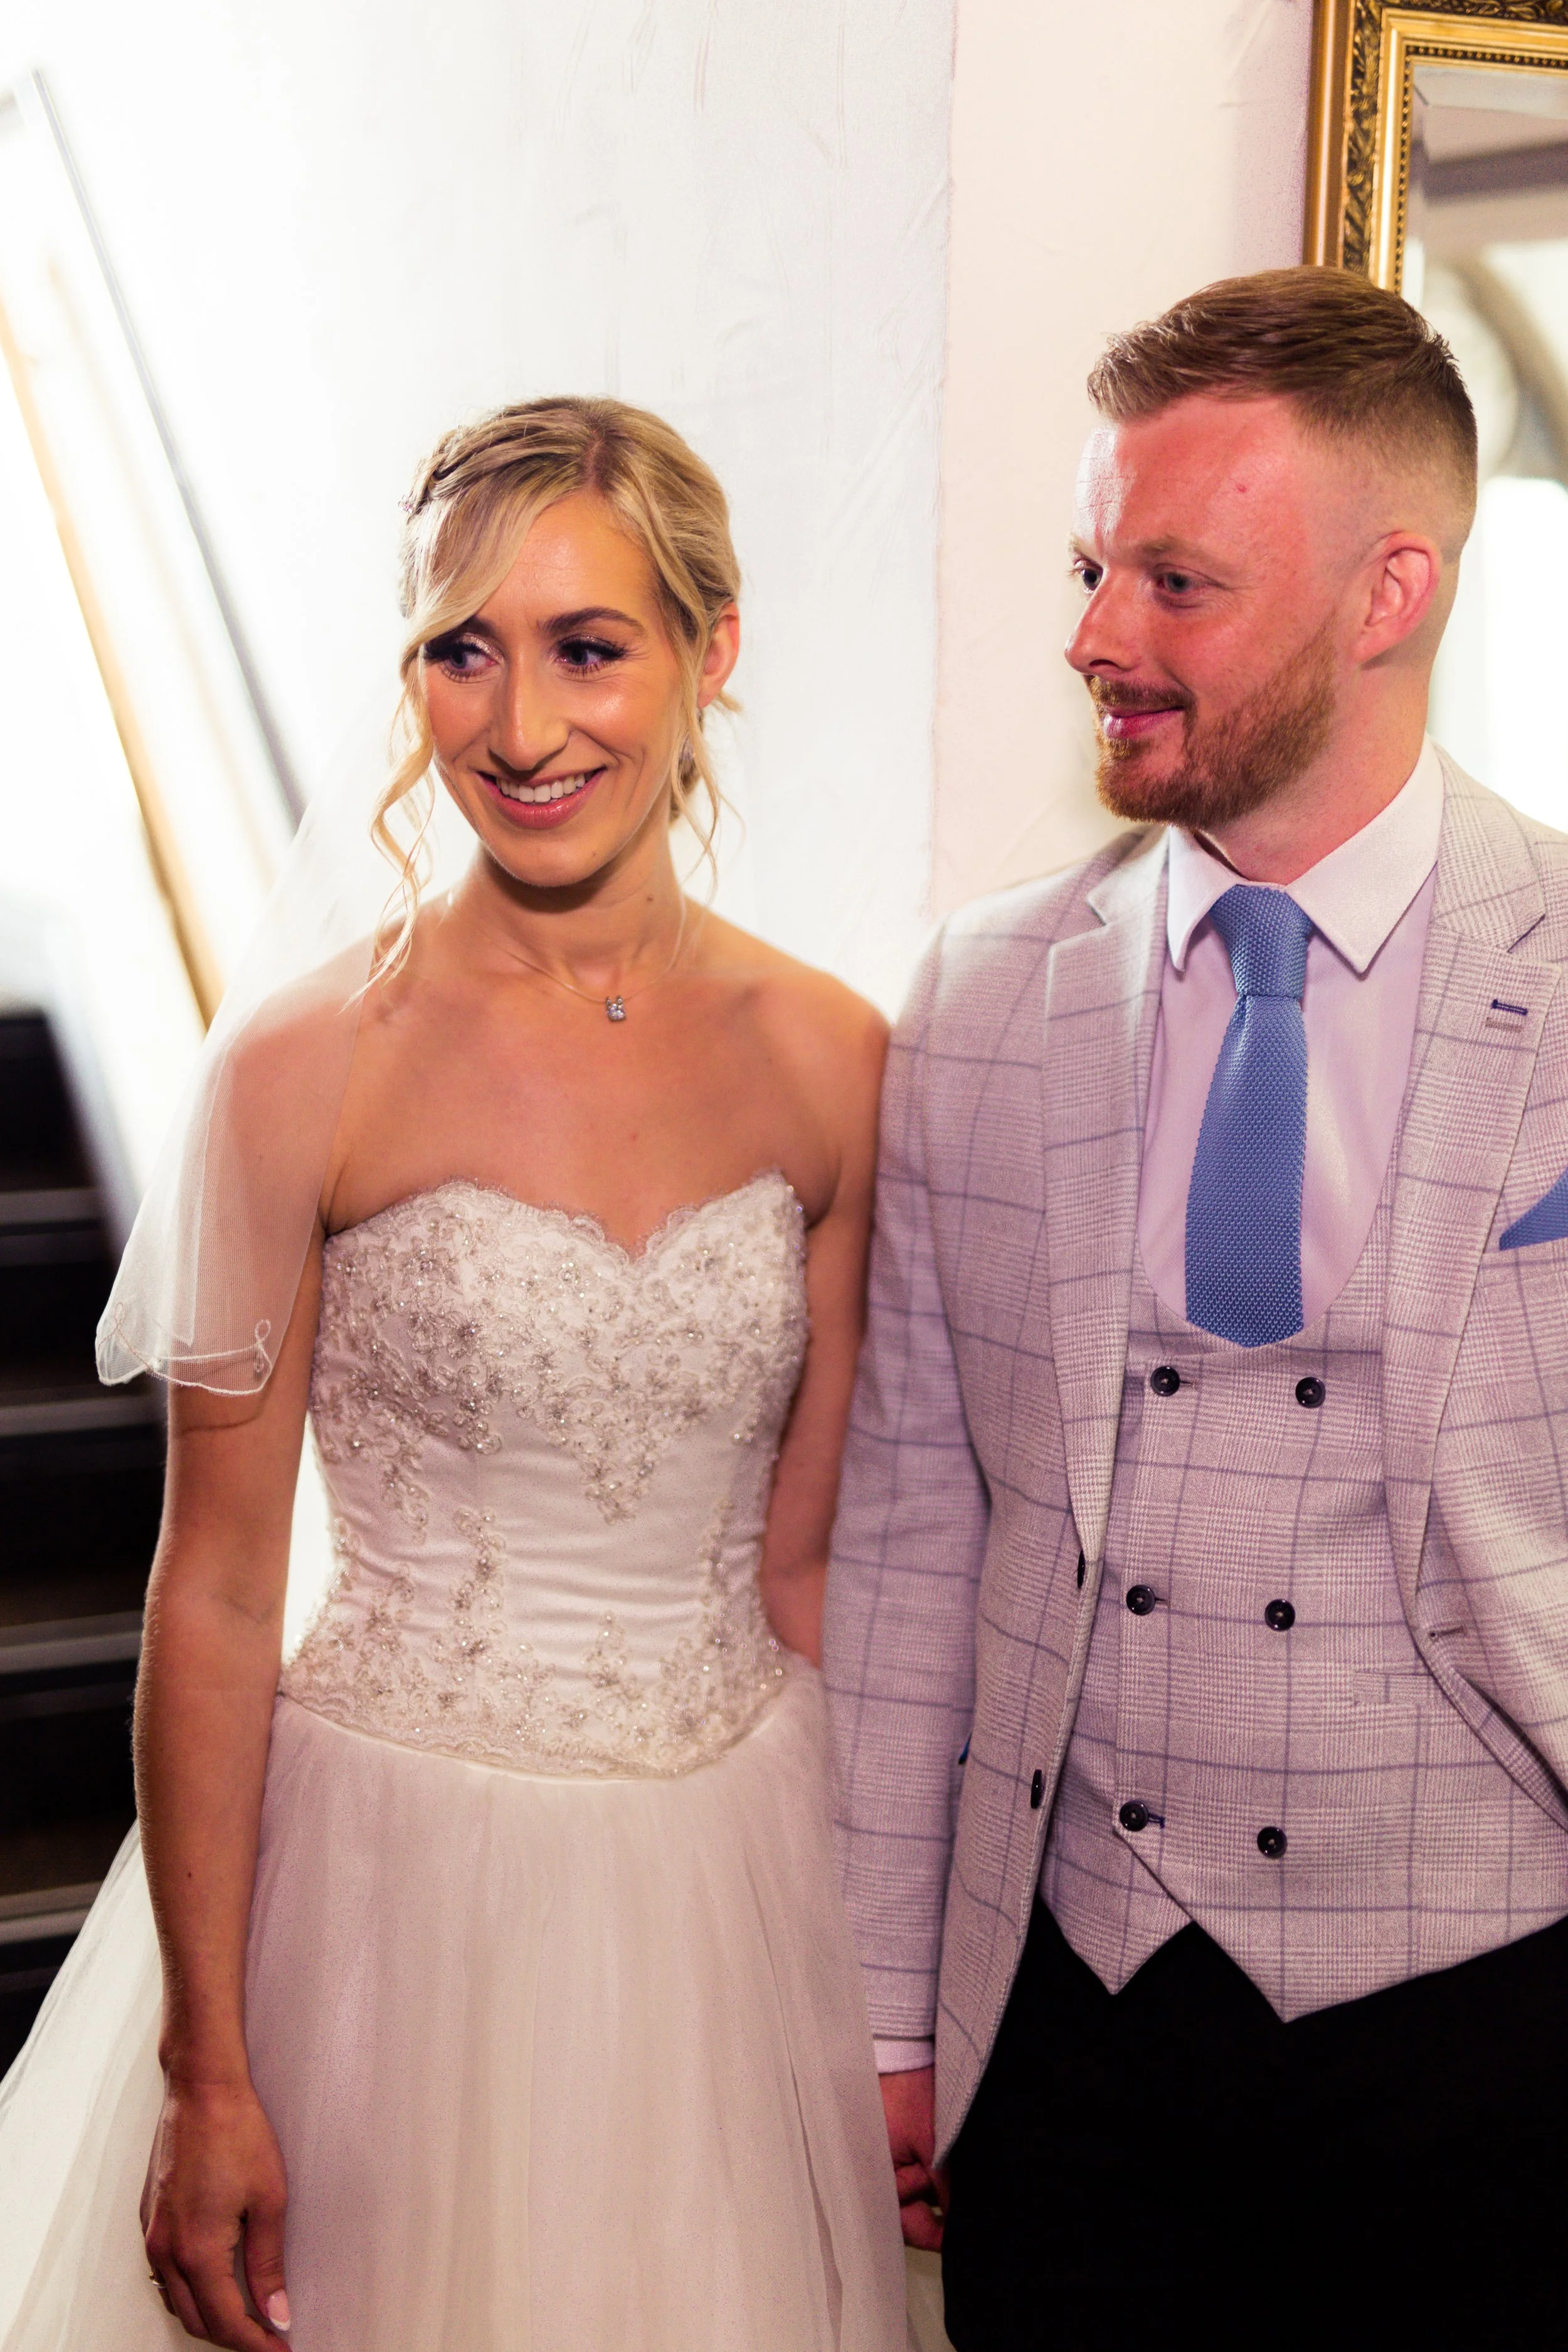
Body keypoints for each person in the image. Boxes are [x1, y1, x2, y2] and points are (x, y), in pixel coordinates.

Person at [0, 396, 909, 2351]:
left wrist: (887, 1986)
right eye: (460, 652)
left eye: (589, 646)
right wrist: (211, 2065)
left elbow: (810, 1574)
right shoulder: (299, 1067)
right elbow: (221, 1587)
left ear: (707, 651)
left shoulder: (832, 1056)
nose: (519, 729)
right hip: (395, 1905)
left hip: (723, 1895)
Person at [824, 265, 1568, 2348]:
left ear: (1386, 588)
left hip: (1500, 2022)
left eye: (1174, 578)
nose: (1093, 636)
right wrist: (892, 2002)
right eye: (1088, 567)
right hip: (1076, 2038)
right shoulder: (980, 995)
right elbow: (909, 1529)